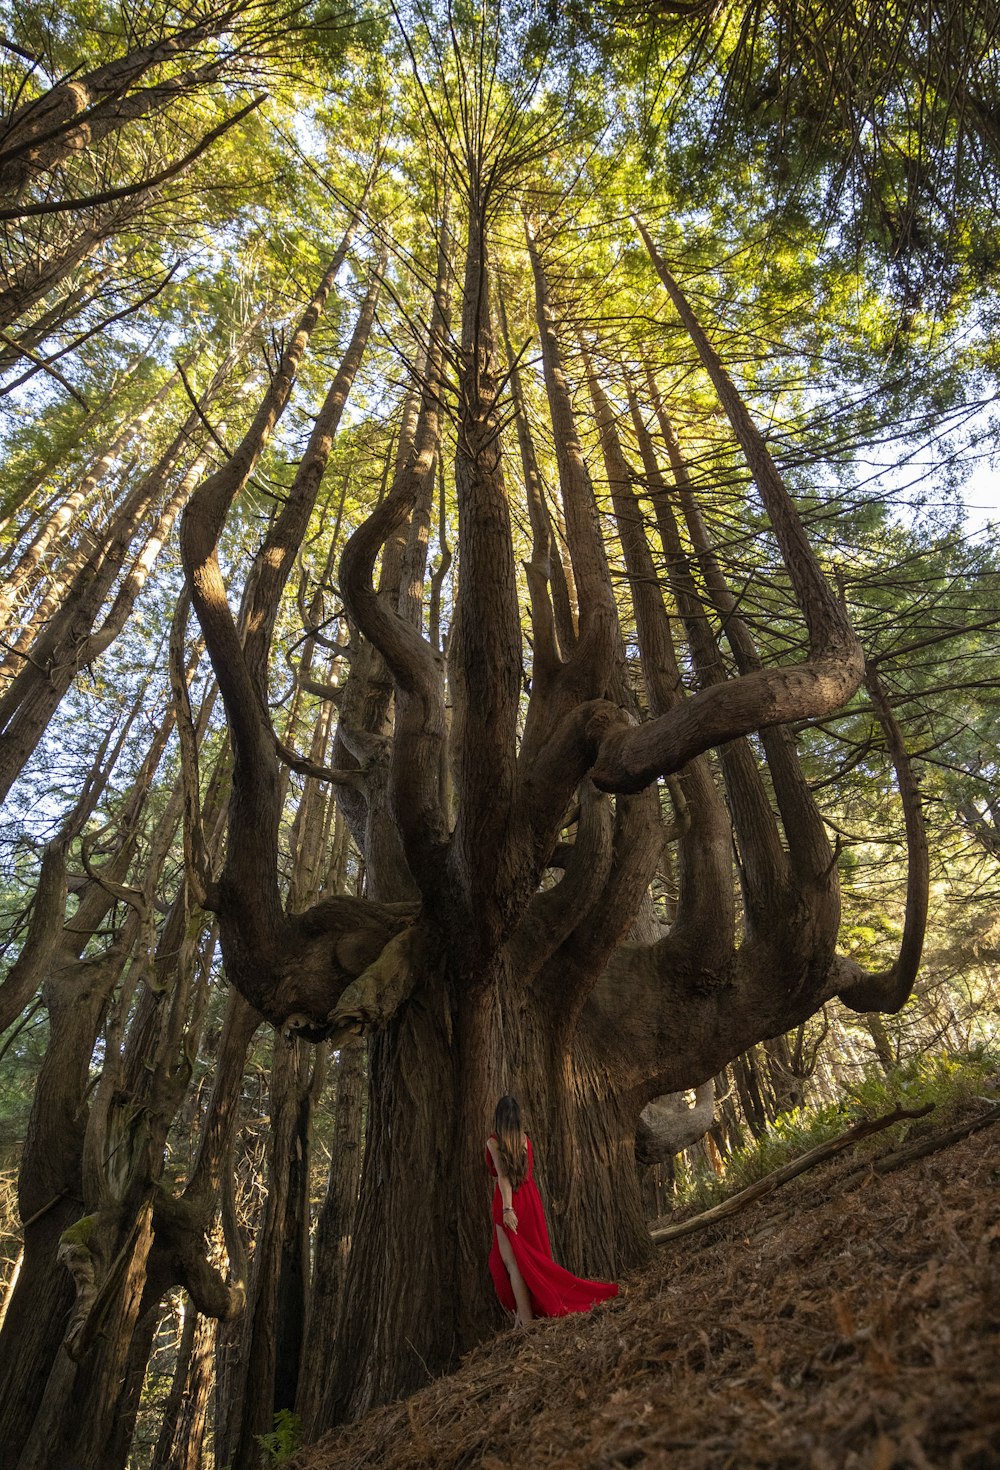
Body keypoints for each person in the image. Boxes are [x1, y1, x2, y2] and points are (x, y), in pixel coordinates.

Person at [485, 1094, 619, 1325]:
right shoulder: (525, 1140)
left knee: (510, 1263)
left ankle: (525, 1319)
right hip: (529, 1200)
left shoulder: (494, 1141)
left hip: (509, 1203)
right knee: (529, 1260)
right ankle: (524, 1314)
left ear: (498, 1117)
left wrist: (507, 1209)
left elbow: (504, 1177)